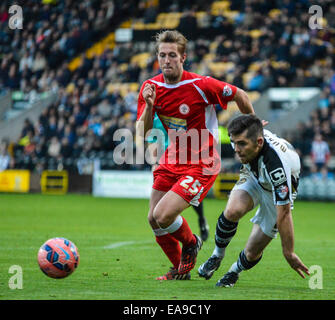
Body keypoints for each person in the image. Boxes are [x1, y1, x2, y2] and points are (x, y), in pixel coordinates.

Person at [136, 30, 255, 280]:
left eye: (171, 55)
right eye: (162, 55)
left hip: (202, 162)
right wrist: (149, 106)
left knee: (163, 215)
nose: (166, 60)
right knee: (153, 219)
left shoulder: (201, 85)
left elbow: (240, 95)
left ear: (183, 58)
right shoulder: (150, 88)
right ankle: (180, 268)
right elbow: (143, 130)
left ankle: (191, 243)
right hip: (173, 157)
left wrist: (253, 132)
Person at [198, 114, 310, 287]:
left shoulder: (276, 167)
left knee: (252, 252)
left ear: (259, 142)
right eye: (234, 142)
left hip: (274, 190)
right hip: (254, 176)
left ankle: (234, 272)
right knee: (232, 211)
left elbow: (285, 212)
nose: (236, 149)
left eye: (241, 143)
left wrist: (289, 253)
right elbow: (252, 122)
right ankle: (216, 256)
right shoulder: (254, 137)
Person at [147, 113, 210, 241]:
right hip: (166, 163)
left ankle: (200, 221)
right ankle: (175, 230)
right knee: (160, 208)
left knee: (186, 193)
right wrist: (154, 162)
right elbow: (152, 142)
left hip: (186, 160)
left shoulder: (180, 113)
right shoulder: (155, 119)